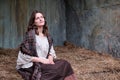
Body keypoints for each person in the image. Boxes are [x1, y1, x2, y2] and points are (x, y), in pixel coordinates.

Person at [16, 10, 77, 80]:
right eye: (37, 18)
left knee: (66, 64)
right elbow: (23, 55)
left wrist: (50, 59)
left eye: (42, 17)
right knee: (55, 70)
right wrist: (41, 60)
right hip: (33, 64)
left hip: (46, 61)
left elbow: (51, 50)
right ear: (34, 22)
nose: (40, 19)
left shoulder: (47, 35)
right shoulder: (30, 36)